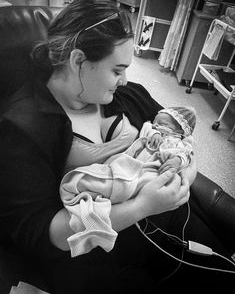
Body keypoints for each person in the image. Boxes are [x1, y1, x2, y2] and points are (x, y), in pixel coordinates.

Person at [0, 0, 233, 294]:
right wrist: (142, 206)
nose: (124, 80)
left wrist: (182, 175)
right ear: (78, 60)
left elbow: (180, 137)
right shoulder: (22, 129)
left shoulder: (126, 95)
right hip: (103, 254)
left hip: (170, 219)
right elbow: (48, 232)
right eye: (117, 69)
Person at [60, 106, 197, 258]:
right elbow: (147, 127)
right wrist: (155, 132)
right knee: (110, 182)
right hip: (133, 173)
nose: (156, 124)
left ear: (179, 132)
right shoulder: (152, 129)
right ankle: (89, 197)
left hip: (161, 180)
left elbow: (187, 156)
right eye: (155, 122)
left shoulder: (180, 143)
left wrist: (177, 162)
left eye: (163, 124)